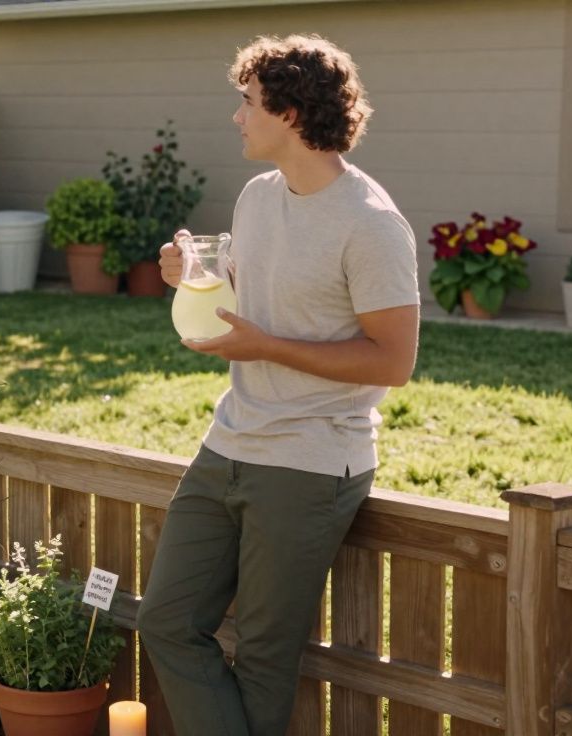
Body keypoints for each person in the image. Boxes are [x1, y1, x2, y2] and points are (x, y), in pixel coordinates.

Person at [136, 35, 420, 735]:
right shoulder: (259, 197)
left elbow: (393, 361)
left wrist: (266, 346)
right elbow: (251, 301)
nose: (237, 117)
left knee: (263, 656)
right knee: (166, 621)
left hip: (311, 462)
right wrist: (192, 277)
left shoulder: (372, 225)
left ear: (290, 112)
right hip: (231, 441)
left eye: (247, 102)